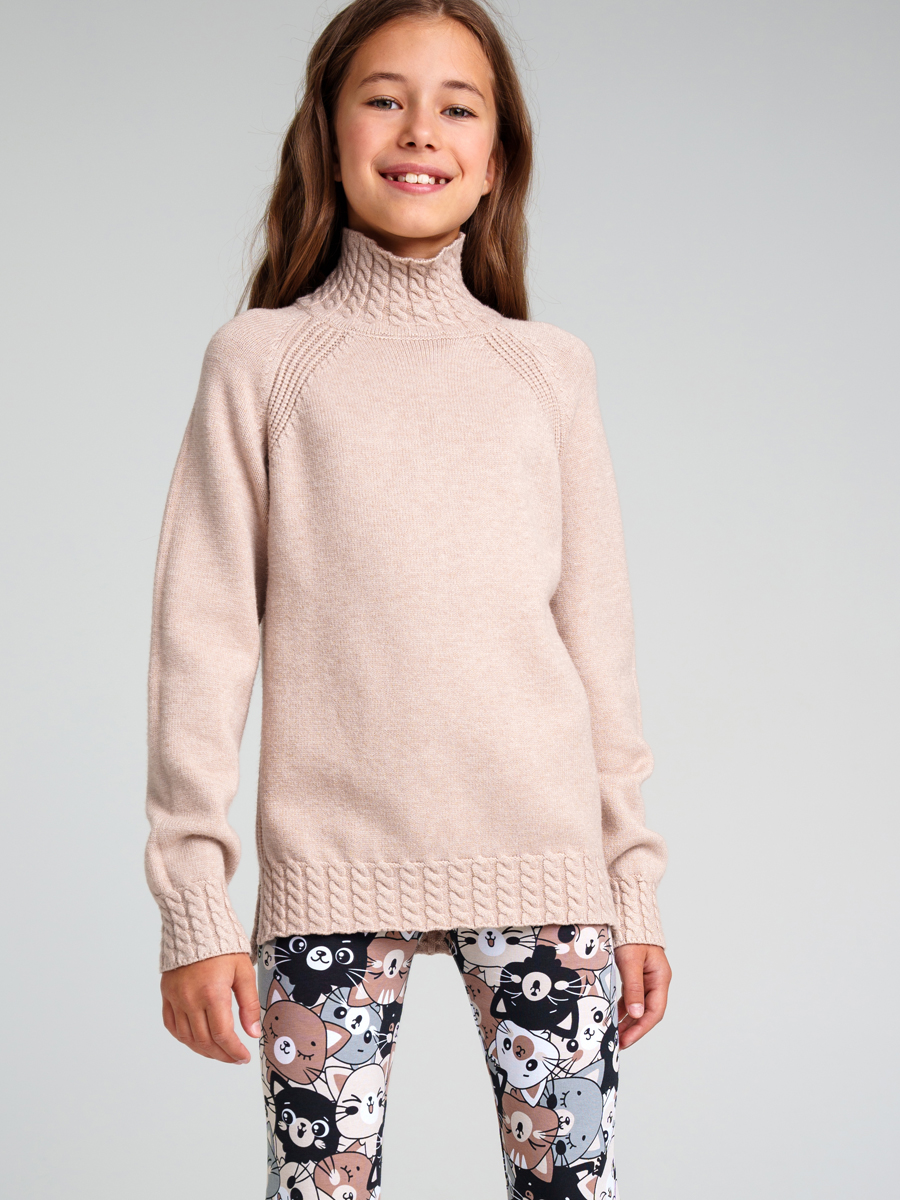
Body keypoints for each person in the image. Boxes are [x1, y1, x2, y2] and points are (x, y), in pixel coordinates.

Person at [143, 1, 671, 1196]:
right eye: (383, 98)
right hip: (327, 866)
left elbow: (600, 647)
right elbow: (201, 643)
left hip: (546, 867)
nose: (419, 129)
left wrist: (631, 886)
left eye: (457, 107)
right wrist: (194, 908)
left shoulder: (550, 372)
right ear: (327, 136)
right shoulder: (261, 362)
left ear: (496, 161)